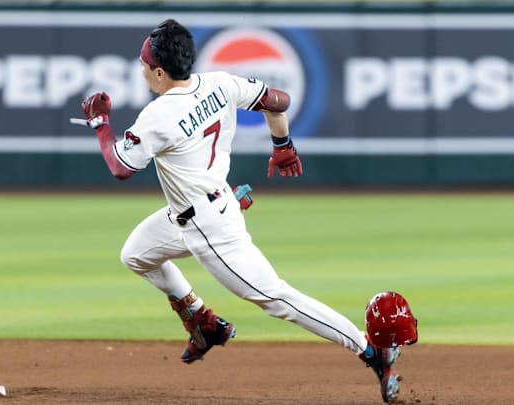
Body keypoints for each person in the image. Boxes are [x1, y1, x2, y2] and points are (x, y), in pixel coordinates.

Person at [77, 19, 405, 403]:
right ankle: (203, 322)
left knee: (276, 299)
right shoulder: (220, 83)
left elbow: (119, 168)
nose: (142, 69)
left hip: (209, 229)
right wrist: (283, 144)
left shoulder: (158, 116)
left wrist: (100, 125)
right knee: (135, 254)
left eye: (144, 63)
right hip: (200, 207)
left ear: (160, 71)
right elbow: (277, 99)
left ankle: (372, 352)